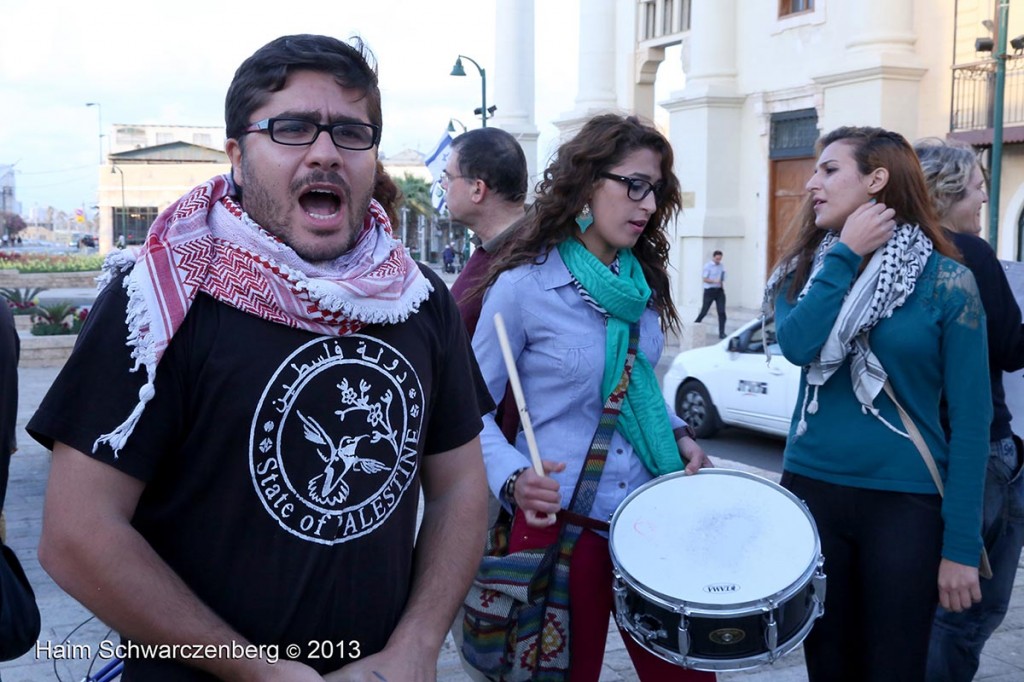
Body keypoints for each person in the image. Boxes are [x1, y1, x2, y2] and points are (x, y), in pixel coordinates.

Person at [31, 34, 491, 681]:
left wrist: (415, 647)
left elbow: (460, 487)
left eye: (351, 133)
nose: (325, 152)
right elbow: (76, 536)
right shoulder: (161, 299)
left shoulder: (416, 300)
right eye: (293, 128)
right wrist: (263, 672)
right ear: (237, 157)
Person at [468, 113, 714, 681]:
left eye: (654, 190)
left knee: (688, 673)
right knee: (562, 675)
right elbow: (468, 410)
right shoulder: (523, 288)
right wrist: (511, 475)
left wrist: (676, 433)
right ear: (586, 185)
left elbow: (637, 387)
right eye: (632, 184)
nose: (647, 204)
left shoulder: (640, 290)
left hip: (651, 519)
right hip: (562, 526)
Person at [764, 126, 991, 681]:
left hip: (904, 507)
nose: (812, 183)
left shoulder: (948, 283)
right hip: (812, 491)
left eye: (829, 170)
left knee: (894, 668)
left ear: (877, 180)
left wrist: (961, 545)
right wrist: (844, 256)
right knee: (829, 666)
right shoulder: (809, 270)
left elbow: (971, 419)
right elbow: (798, 344)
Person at [915, 138, 1024, 681]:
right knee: (968, 612)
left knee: (935, 605)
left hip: (925, 450)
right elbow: (1011, 349)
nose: (984, 196)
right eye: (978, 186)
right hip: (983, 453)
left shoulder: (896, 252)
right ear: (949, 190)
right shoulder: (968, 252)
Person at [445, 126, 528, 337]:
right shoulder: (505, 249)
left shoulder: (527, 260)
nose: (444, 186)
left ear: (477, 189)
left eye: (449, 177)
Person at [693, 250, 726, 339]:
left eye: (720, 259)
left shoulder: (721, 266)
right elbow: (705, 279)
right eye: (717, 258)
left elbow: (722, 277)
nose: (718, 260)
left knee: (722, 312)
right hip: (709, 291)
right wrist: (714, 281)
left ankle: (722, 333)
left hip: (719, 291)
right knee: (704, 311)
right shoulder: (708, 266)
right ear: (713, 257)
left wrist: (721, 287)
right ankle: (694, 326)